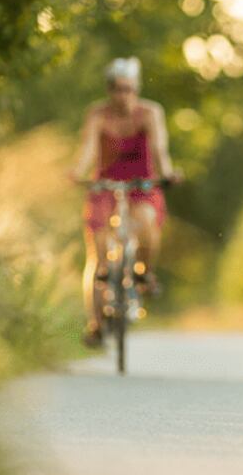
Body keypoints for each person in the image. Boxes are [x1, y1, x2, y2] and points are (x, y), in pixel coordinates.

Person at [71, 57, 179, 348]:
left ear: (137, 89)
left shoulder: (150, 113)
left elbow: (159, 148)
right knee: (98, 253)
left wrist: (167, 173)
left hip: (142, 184)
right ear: (109, 90)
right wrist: (77, 172)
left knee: (146, 223)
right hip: (105, 184)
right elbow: (88, 148)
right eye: (118, 89)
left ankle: (144, 271)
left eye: (129, 89)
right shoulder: (98, 114)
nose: (124, 96)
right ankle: (95, 323)